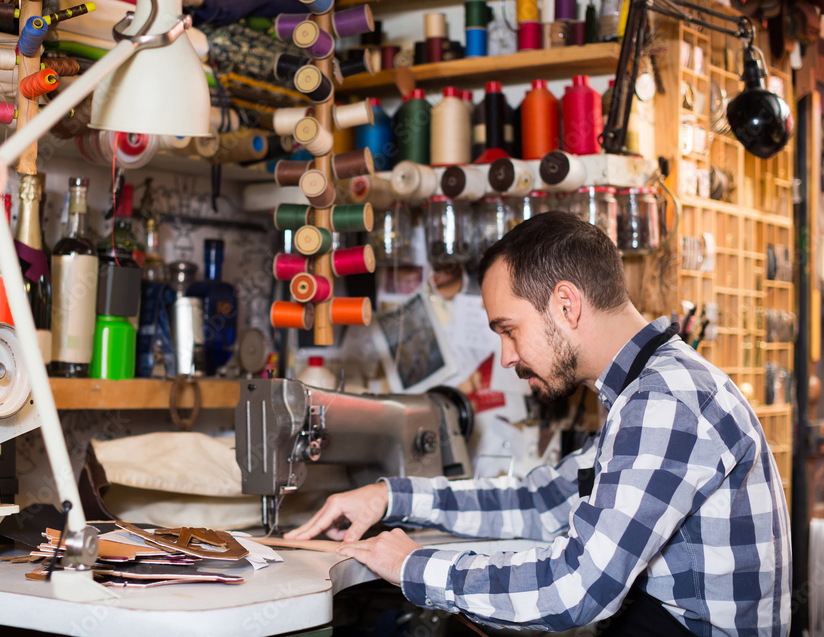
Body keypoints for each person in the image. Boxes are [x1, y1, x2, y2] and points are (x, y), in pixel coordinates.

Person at [286, 211, 791, 635]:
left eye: (509, 329)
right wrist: (390, 497)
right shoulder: (647, 390)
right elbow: (541, 501)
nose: (505, 357)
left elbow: (575, 587)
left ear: (566, 304)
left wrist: (411, 565)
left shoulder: (668, 401)